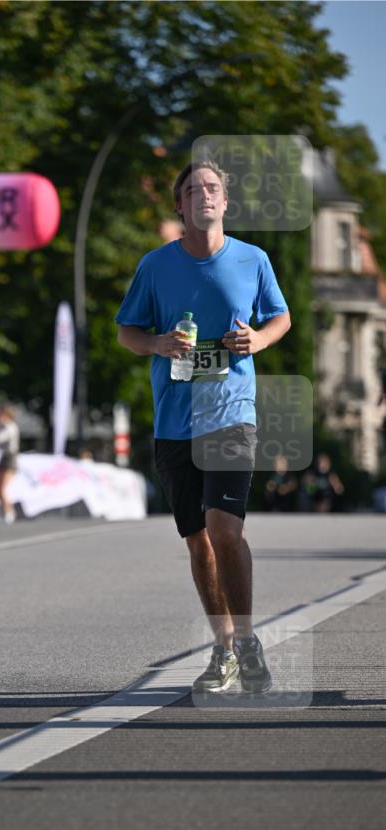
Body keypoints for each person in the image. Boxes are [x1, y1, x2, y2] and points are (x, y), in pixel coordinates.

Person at [116, 160, 291, 695]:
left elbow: (279, 317)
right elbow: (128, 331)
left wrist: (258, 341)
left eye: (213, 189)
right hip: (174, 419)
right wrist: (159, 343)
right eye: (193, 190)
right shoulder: (155, 266)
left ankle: (246, 639)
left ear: (225, 202)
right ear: (180, 205)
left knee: (225, 530)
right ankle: (223, 649)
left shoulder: (252, 260)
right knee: (198, 543)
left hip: (232, 414)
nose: (205, 196)